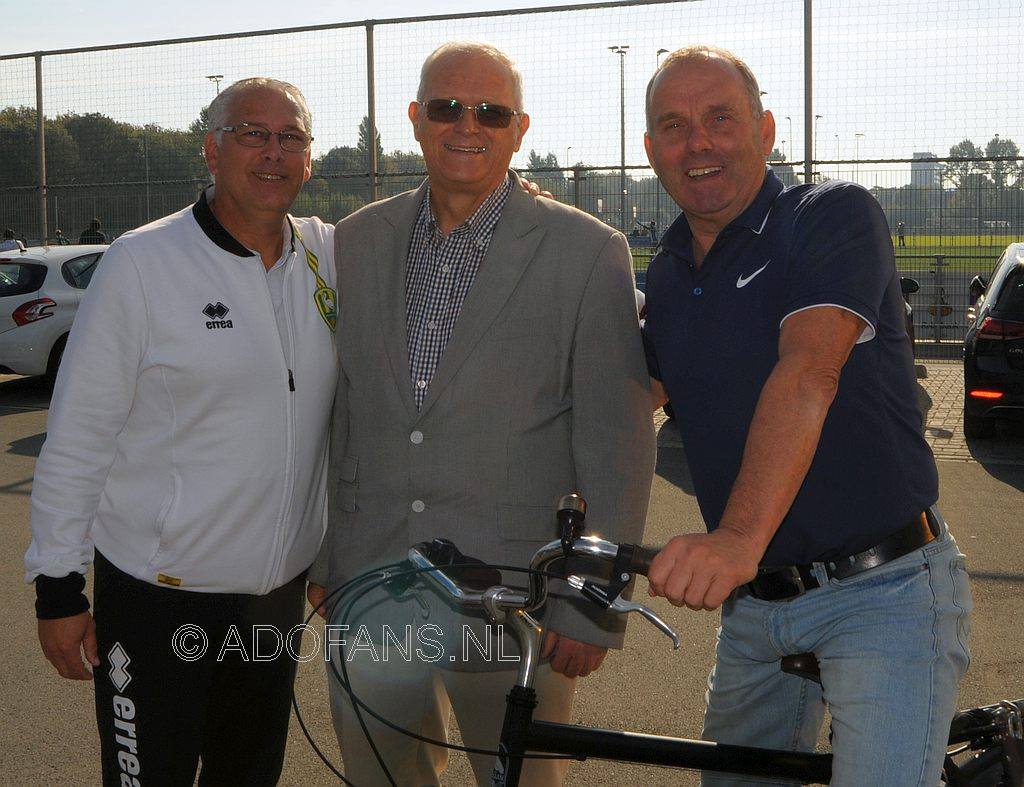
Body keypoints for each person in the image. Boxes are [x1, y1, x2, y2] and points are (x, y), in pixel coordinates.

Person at [307, 41, 655, 786]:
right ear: (415, 119)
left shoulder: (588, 252)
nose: (468, 125)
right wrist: (327, 559)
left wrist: (591, 604)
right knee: (384, 776)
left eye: (491, 112)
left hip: (513, 598)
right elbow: (341, 412)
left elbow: (617, 441)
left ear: (520, 128)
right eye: (446, 107)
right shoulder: (356, 241)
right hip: (371, 587)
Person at [640, 46, 971, 786]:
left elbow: (808, 372)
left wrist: (733, 538)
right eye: (674, 125)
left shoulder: (829, 215)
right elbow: (625, 399)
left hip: (882, 590)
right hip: (757, 608)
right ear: (649, 150)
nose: (698, 141)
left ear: (766, 128)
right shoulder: (663, 273)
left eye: (721, 118)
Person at [25, 77, 336, 786]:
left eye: (291, 137)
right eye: (252, 133)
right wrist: (59, 590)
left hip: (272, 602)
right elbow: (77, 438)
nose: (272, 152)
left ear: (309, 160)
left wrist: (509, 193)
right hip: (156, 601)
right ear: (212, 149)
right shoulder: (140, 262)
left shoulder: (326, 255)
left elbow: (421, 227)